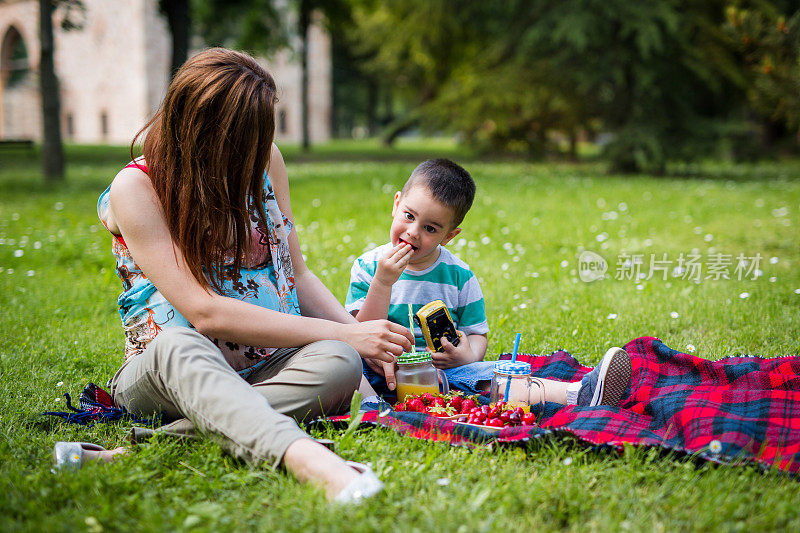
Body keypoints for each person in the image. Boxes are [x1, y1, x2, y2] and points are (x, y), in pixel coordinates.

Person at [81, 48, 415, 503]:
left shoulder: (265, 158)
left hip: (267, 366)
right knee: (179, 345)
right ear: (204, 136)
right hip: (168, 371)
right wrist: (347, 333)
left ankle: (151, 445)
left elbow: (296, 273)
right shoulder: (136, 188)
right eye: (247, 142)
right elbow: (205, 313)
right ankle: (310, 461)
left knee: (339, 359)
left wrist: (356, 339)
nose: (260, 152)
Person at [345, 159, 632, 408]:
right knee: (344, 364)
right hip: (381, 372)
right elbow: (362, 336)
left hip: (444, 375)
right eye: (409, 216)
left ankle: (577, 394)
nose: (413, 232)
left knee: (493, 375)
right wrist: (383, 281)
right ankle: (372, 406)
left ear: (449, 236)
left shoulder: (459, 276)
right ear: (396, 204)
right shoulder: (368, 267)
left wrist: (465, 356)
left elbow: (477, 333)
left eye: (430, 228)